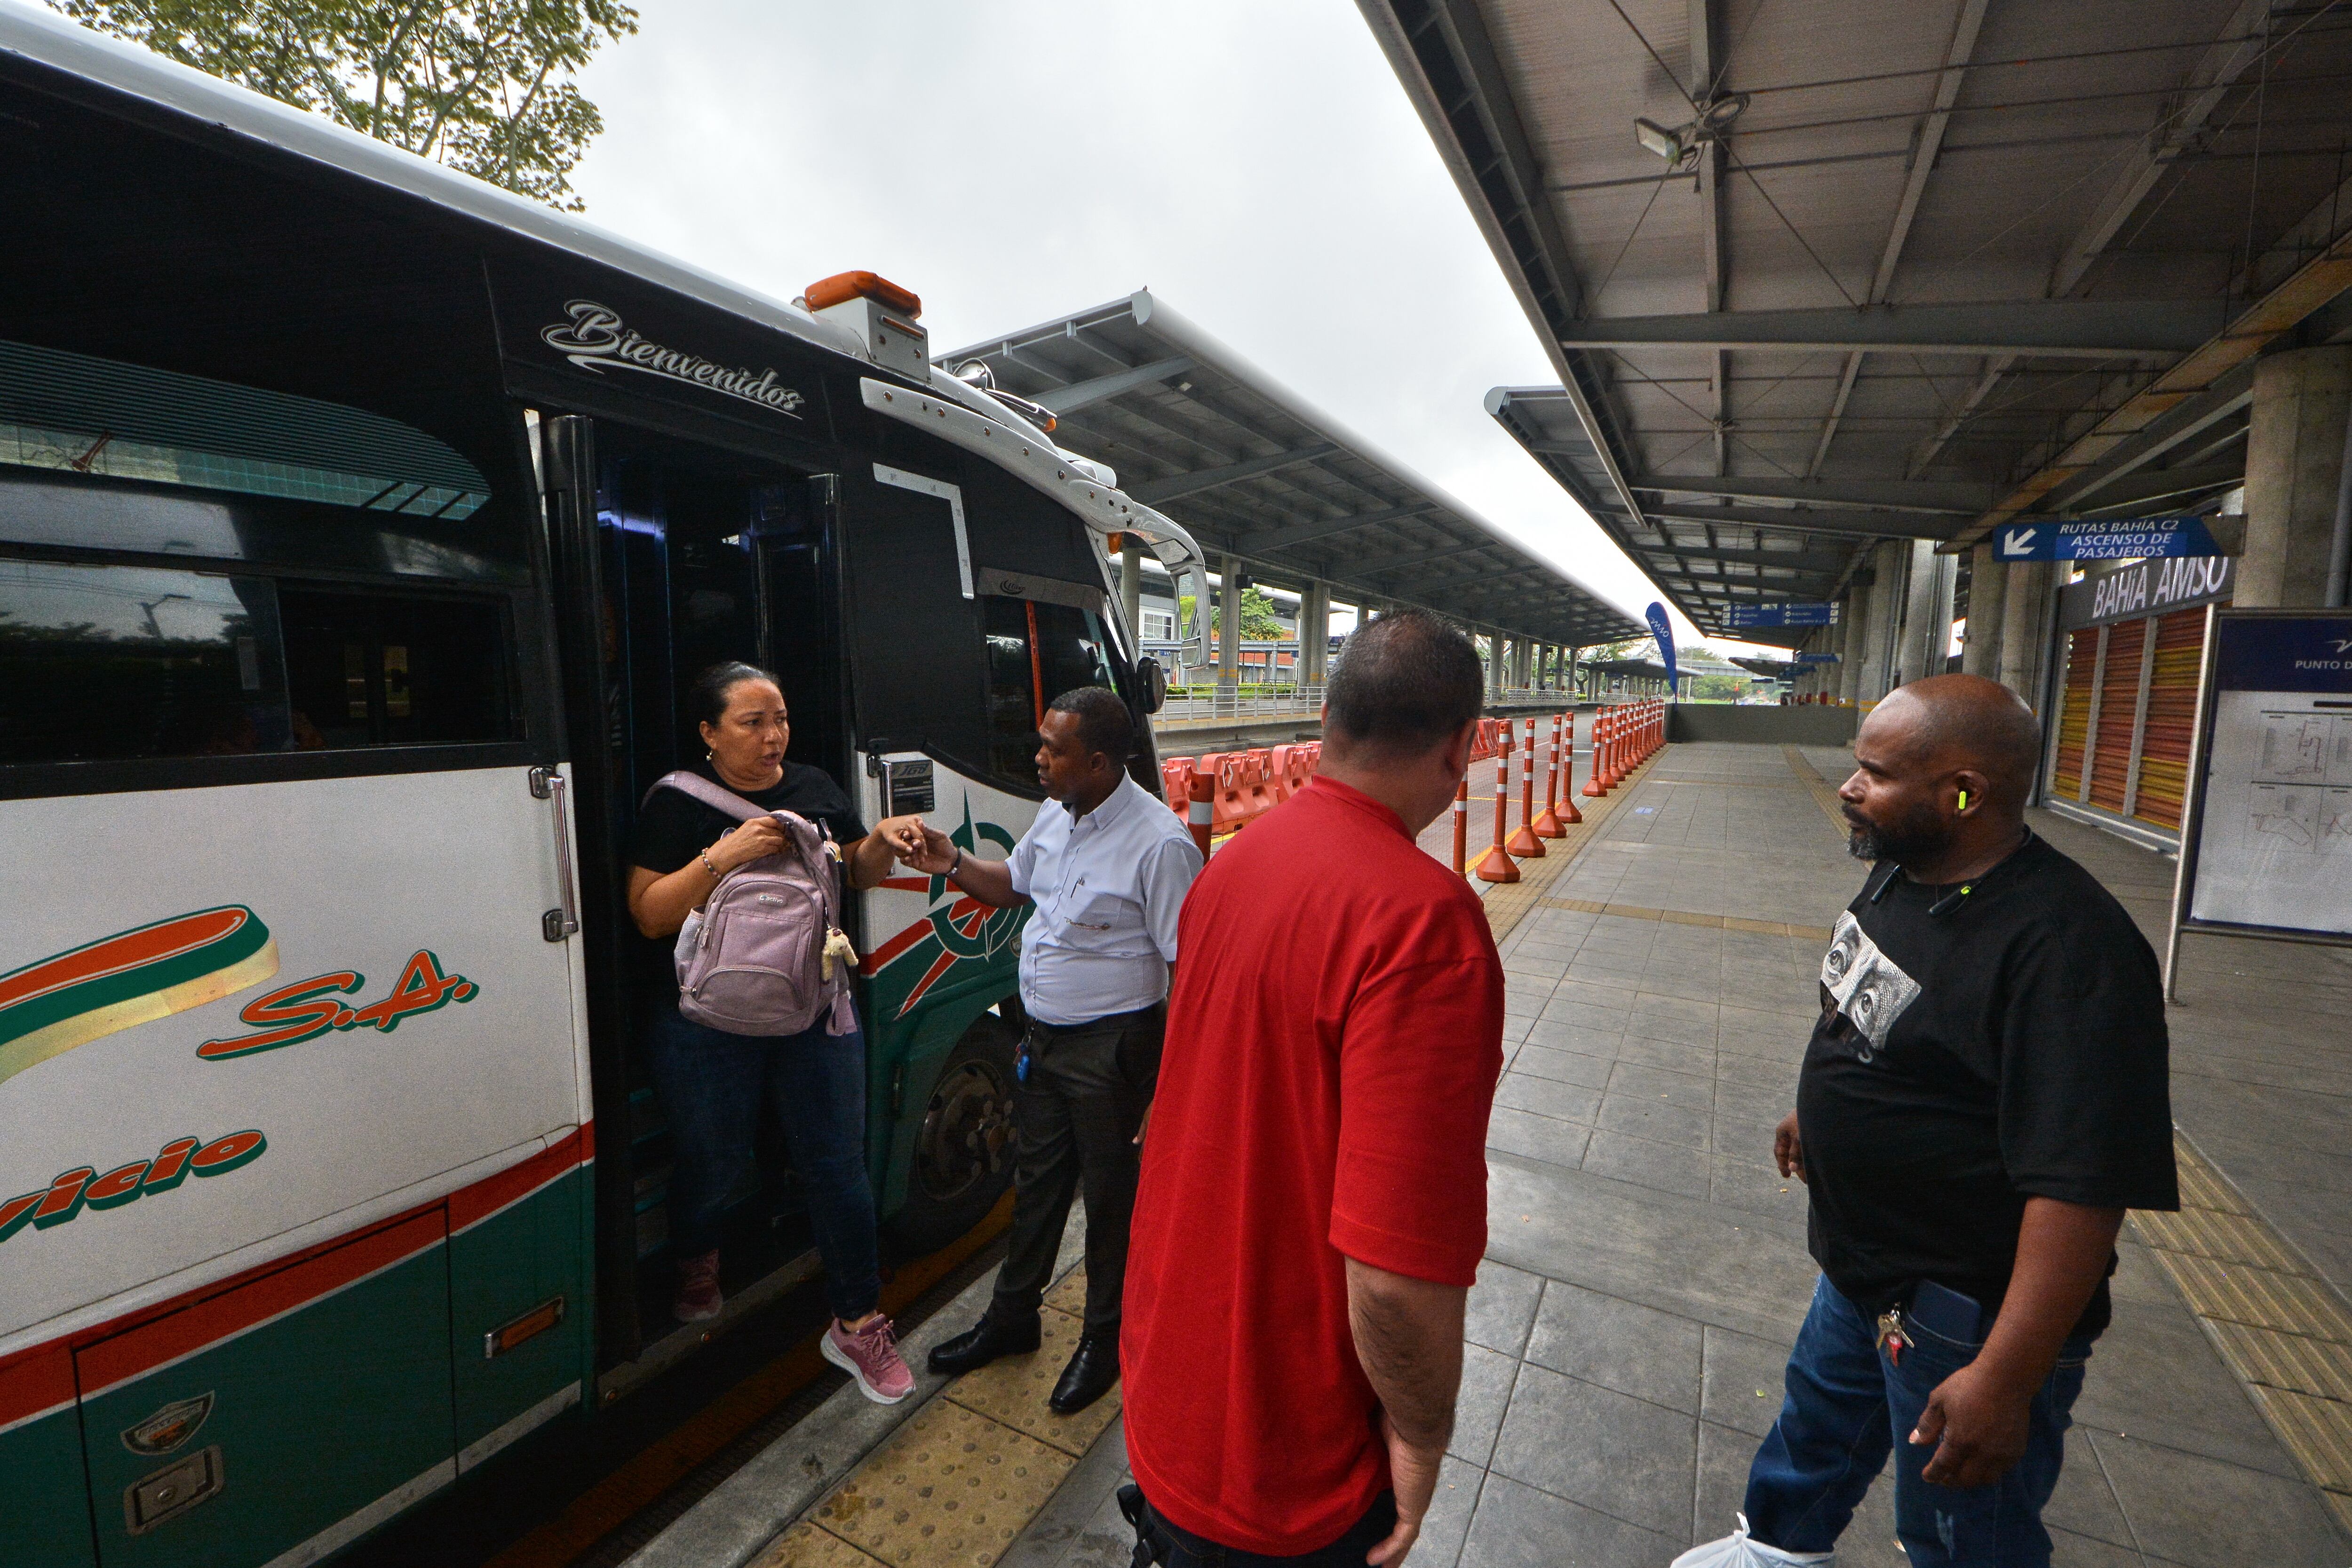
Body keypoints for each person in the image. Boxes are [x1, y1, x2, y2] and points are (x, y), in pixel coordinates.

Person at [1677, 674, 2178, 1568]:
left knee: (1963, 1527)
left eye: (1874, 772)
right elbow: (1873, 1006)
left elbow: (2083, 1187)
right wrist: (1820, 1110)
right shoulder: (1903, 870)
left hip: (1965, 1314)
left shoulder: (2070, 950)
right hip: (1864, 1265)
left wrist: (2006, 1376)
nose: (1848, 786)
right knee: (1816, 1435)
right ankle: (1778, 1553)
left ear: (1963, 792)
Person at [1119, 610, 1502, 1568]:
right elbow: (1392, 1267)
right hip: (1290, 1464)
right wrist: (1419, 1438)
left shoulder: (1228, 865)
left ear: (1328, 719)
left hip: (1170, 1387)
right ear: (1463, 748)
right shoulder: (1423, 924)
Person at [626, 660, 930, 1405]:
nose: (774, 736)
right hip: (704, 1020)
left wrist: (883, 841)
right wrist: (720, 856)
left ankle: (858, 1321)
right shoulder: (673, 802)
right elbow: (649, 913)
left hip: (814, 1006)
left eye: (781, 719)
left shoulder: (817, 788)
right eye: (753, 722)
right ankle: (698, 1255)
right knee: (714, 1154)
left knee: (836, 1163)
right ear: (708, 732)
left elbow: (853, 871)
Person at [898, 685, 1201, 1413]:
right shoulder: (1055, 815)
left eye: (1051, 748)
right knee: (1034, 1185)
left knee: (1108, 1198)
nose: (1036, 758)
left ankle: (1106, 1338)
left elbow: (1189, 971)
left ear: (1097, 762)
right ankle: (1013, 1318)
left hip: (1114, 1054)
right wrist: (951, 862)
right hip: (1043, 1042)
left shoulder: (1159, 844)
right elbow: (1010, 886)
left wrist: (1168, 1088)